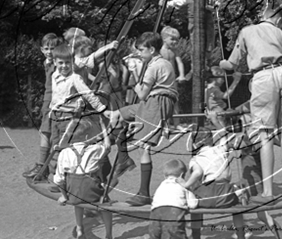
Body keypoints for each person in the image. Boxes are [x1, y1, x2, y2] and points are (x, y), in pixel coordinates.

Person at [219, 7, 282, 204]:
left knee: (265, 135)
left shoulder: (247, 30)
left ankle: (268, 192)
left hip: (263, 76)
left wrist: (223, 64)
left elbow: (232, 63)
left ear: (263, 18)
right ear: (279, 22)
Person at [105, 32, 179, 206]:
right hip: (154, 102)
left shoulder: (154, 66)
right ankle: (123, 159)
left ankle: (144, 193)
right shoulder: (160, 63)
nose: (138, 53)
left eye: (141, 50)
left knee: (144, 146)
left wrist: (132, 71)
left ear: (152, 49)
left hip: (156, 102)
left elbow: (142, 93)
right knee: (118, 114)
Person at [48, 44, 108, 176]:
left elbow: (87, 93)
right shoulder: (54, 75)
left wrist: (101, 108)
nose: (64, 66)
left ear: (72, 62)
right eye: (60, 63)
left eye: (67, 63)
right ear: (55, 62)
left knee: (66, 146)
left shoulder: (75, 78)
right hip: (55, 115)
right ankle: (55, 175)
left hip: (68, 117)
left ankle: (67, 176)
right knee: (54, 144)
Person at [54, 118, 113, 239]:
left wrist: (64, 196)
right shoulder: (95, 149)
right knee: (106, 205)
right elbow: (107, 146)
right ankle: (108, 235)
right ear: (87, 136)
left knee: (78, 201)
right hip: (92, 192)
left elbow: (59, 179)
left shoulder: (64, 152)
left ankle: (80, 229)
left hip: (73, 193)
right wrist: (103, 127)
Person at [160, 0, 217, 77]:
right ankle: (194, 67)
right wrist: (165, 4)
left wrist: (211, 7)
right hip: (194, 24)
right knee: (196, 44)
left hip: (207, 24)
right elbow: (173, 3)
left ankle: (206, 64)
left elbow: (217, 6)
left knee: (209, 44)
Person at [23, 33, 61, 180]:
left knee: (50, 133)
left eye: (53, 48)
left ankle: (44, 167)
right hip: (48, 100)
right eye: (46, 48)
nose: (49, 51)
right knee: (44, 131)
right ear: (41, 49)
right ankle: (42, 167)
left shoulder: (59, 63)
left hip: (55, 100)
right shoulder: (47, 62)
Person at [148, 159, 198, 239]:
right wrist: (189, 190)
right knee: (175, 234)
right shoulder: (183, 185)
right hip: (173, 213)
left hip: (155, 213)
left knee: (155, 235)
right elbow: (193, 204)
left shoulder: (161, 185)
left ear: (164, 176)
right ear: (182, 175)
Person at [160, 26, 186, 132]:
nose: (175, 42)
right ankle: (165, 124)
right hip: (162, 81)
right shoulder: (159, 51)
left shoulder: (174, 51)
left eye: (176, 39)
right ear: (164, 38)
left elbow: (179, 62)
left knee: (175, 102)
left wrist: (182, 75)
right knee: (164, 102)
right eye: (172, 39)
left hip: (173, 80)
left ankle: (177, 124)